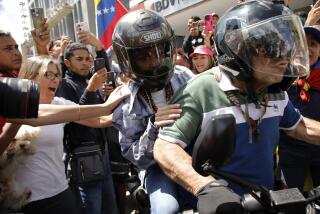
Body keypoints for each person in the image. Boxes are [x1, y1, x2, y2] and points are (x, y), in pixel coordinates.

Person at [151, 1, 320, 213]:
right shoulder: (201, 90)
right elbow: (165, 147)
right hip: (217, 207)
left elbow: (299, 126)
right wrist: (204, 186)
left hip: (264, 201)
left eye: (285, 48)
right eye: (271, 49)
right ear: (240, 50)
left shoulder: (273, 89)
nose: (284, 58)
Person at [8, 55, 128, 214]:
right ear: (31, 77)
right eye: (49, 74)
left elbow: (98, 120)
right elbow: (40, 114)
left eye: (57, 75)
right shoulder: (14, 105)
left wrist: (138, 114)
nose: (55, 80)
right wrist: (105, 106)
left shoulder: (60, 103)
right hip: (27, 199)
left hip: (61, 191)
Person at [111, 9, 196, 213]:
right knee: (166, 209)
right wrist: (154, 127)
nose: (155, 61)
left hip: (194, 156)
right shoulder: (125, 100)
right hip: (156, 167)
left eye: (160, 51)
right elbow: (135, 157)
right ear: (127, 59)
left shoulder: (185, 76)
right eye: (144, 56)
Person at [56, 43, 118, 214]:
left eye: (88, 59)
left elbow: (97, 112)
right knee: (92, 206)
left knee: (109, 205)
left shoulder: (88, 81)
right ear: (67, 63)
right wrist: (91, 88)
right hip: (83, 154)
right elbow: (77, 117)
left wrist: (106, 96)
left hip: (101, 149)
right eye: (79, 59)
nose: (85, 63)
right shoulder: (64, 85)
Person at [278, 26, 320, 192]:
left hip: (319, 149)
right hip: (290, 152)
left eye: (313, 43)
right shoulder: (280, 76)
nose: (307, 48)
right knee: (291, 202)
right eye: (301, 42)